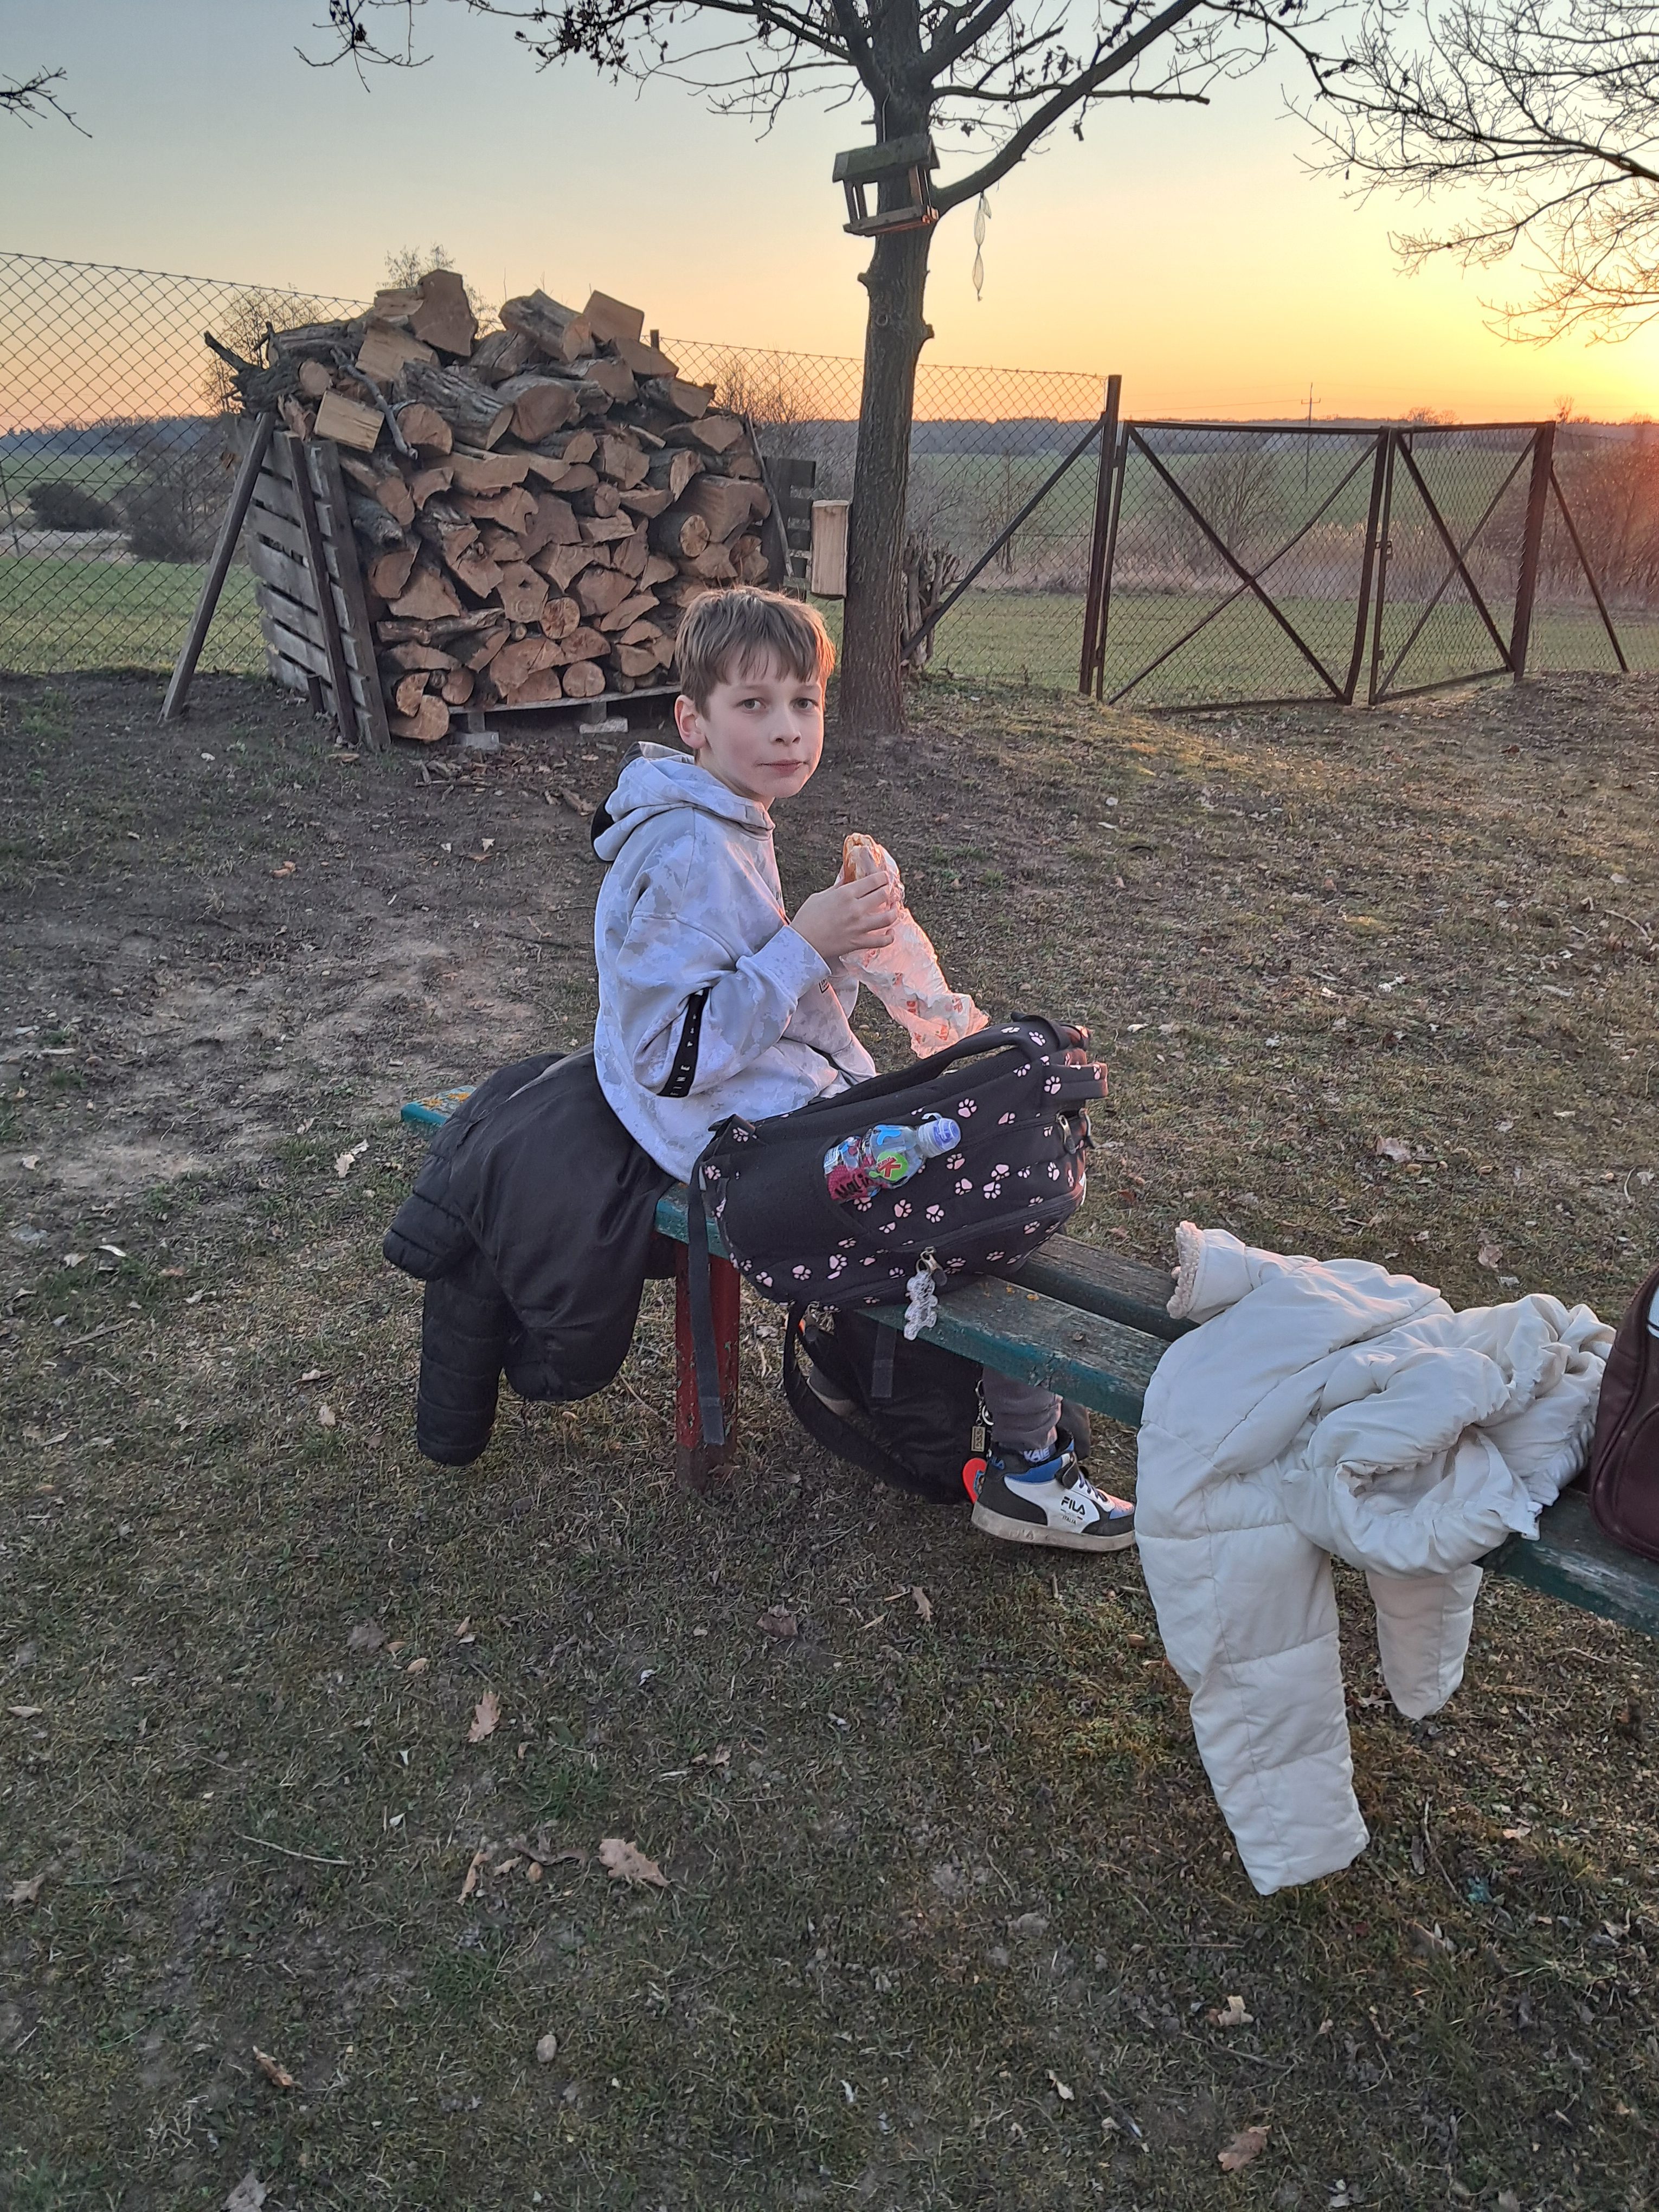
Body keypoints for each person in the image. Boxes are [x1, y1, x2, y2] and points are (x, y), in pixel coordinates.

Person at [591, 586, 1134, 1553]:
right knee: (994, 1197)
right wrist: (805, 942)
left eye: (804, 702)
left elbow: (760, 1003)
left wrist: (837, 944)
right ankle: (1027, 1471)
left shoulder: (725, 822)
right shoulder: (688, 853)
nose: (787, 728)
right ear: (693, 721)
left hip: (758, 1112)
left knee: (987, 1140)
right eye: (754, 704)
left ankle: (853, 1365)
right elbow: (668, 1057)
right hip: (729, 1148)